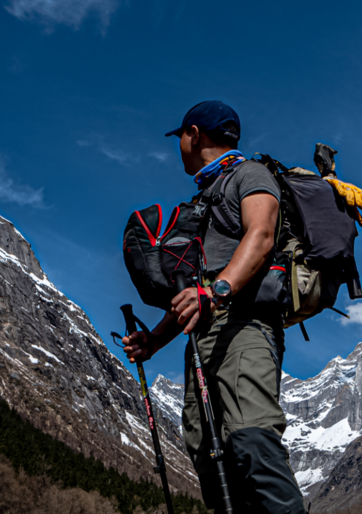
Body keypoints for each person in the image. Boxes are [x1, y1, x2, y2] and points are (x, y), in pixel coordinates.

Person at [123, 100, 307, 514]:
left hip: (244, 328)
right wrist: (153, 341)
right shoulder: (205, 196)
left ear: (194, 134)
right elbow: (197, 288)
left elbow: (259, 237)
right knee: (209, 454)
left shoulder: (251, 175)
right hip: (205, 340)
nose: (181, 148)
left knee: (251, 438)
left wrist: (217, 291)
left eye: (182, 139)